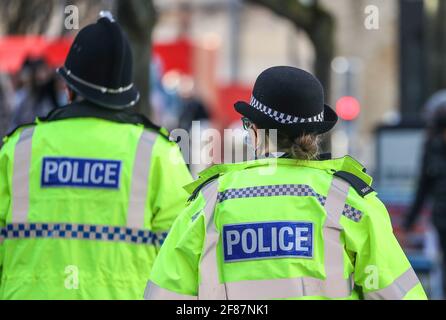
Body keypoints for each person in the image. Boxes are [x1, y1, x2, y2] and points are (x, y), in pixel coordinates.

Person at [144, 66, 427, 300]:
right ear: (315, 135)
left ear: (256, 131)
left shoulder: (211, 200)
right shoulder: (349, 202)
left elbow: (166, 296)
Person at [0, 14, 192, 299]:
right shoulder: (157, 154)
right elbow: (185, 255)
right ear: (128, 96)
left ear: (67, 89)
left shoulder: (19, 149)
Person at [404, 103, 446, 297]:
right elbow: (423, 188)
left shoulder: (432, 146)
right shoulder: (432, 147)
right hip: (442, 219)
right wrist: (409, 221)